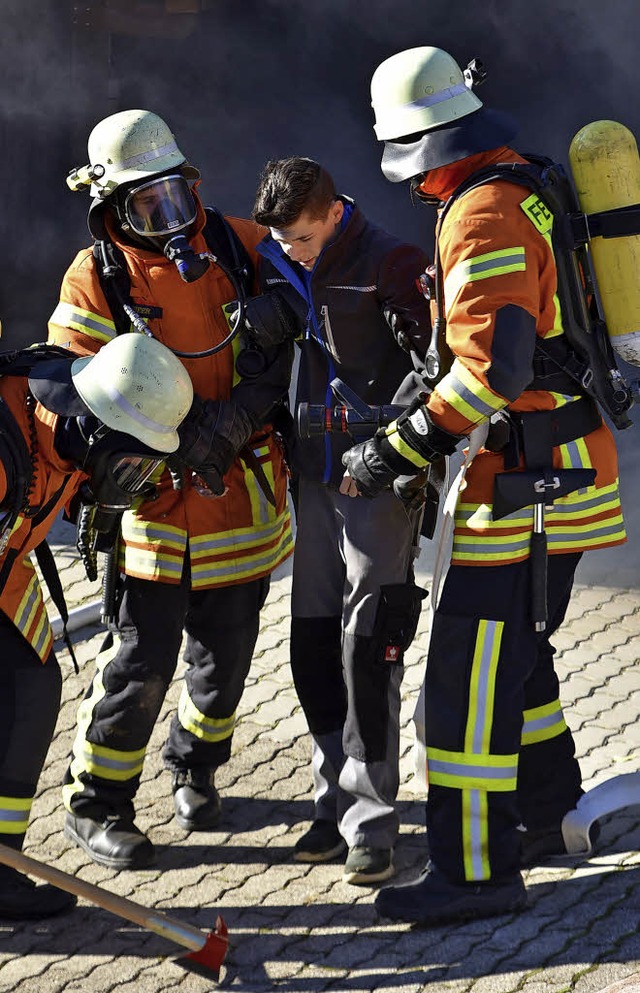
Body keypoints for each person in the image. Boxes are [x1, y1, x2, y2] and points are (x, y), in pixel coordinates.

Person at [342, 46, 627, 922]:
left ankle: (475, 872)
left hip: (522, 488)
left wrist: (396, 450)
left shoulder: (481, 215)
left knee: (462, 686)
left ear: (428, 149)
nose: (416, 187)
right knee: (519, 653)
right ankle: (544, 814)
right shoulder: (524, 183)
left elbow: (492, 371)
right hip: (557, 473)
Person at [48, 109, 293, 870]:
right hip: (154, 507)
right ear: (111, 209)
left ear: (193, 187)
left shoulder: (240, 246)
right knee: (139, 664)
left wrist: (245, 408)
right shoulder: (99, 275)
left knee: (226, 661)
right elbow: (67, 388)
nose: (169, 222)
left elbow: (303, 343)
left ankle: (195, 766)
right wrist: (177, 437)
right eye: (145, 207)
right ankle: (98, 800)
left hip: (240, 500)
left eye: (175, 199)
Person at [251, 156, 434, 885]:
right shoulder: (284, 262)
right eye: (281, 241)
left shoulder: (393, 261)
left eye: (299, 237)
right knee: (312, 640)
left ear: (333, 213)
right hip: (312, 477)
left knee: (370, 644)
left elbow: (436, 368)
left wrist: (388, 452)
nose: (289, 251)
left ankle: (372, 822)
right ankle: (331, 797)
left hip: (375, 487)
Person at [0, 333, 193, 917]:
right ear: (95, 430)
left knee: (31, 689)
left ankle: (3, 862)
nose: (133, 481)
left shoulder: (70, 425)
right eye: (130, 463)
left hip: (5, 569)